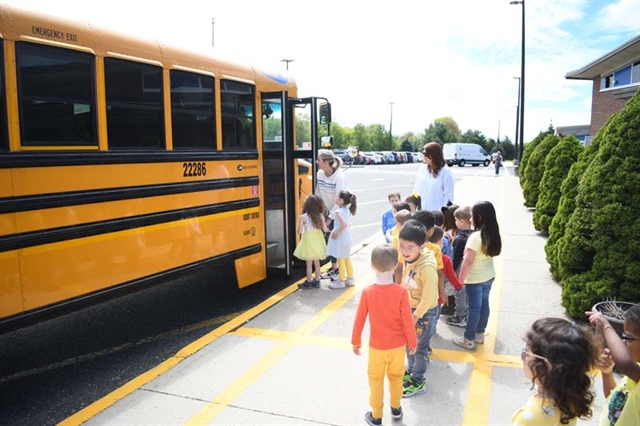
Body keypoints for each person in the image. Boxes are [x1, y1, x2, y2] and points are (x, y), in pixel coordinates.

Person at [351, 244, 418, 426]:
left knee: (376, 380)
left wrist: (356, 341)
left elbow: (360, 320)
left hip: (377, 347)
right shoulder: (402, 292)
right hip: (397, 347)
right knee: (396, 378)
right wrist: (412, 342)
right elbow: (408, 321)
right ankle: (396, 408)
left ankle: (377, 415)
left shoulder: (368, 292)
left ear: (372, 266)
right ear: (396, 265)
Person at [512, 317, 601, 425]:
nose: (522, 357)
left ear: (545, 366)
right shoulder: (568, 397)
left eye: (525, 352)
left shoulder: (529, 418)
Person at [452, 201, 502, 350]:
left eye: (473, 216)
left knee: (474, 307)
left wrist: (460, 280)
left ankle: (468, 338)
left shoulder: (475, 237)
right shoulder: (492, 234)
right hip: (489, 276)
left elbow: (467, 262)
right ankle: (479, 334)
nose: (471, 218)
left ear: (479, 217)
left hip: (475, 279)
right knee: (484, 305)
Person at [397, 219, 439, 397]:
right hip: (411, 310)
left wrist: (415, 317)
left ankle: (417, 380)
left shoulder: (427, 266)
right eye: (401, 245)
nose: (404, 251)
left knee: (419, 347)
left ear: (422, 247)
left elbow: (428, 297)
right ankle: (412, 368)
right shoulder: (412, 258)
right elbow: (406, 281)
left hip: (423, 313)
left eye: (409, 247)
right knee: (409, 343)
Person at [587, 304, 640, 426]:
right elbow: (615, 400)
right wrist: (607, 373)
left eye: (629, 338)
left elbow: (624, 364)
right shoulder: (636, 368)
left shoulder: (632, 369)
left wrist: (606, 326)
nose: (622, 342)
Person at [316, 149, 346, 280]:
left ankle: (339, 270)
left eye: (319, 160)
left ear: (327, 163)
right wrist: (321, 214)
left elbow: (339, 201)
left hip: (338, 212)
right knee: (329, 240)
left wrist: (329, 219)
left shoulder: (339, 177)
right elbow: (318, 194)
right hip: (327, 210)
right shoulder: (320, 174)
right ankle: (334, 268)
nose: (316, 162)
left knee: (336, 240)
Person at [293, 195, 330, 289]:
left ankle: (308, 281)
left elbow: (299, 231)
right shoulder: (320, 216)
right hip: (318, 240)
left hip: (308, 241)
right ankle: (317, 281)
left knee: (309, 264)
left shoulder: (303, 217)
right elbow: (325, 229)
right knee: (317, 263)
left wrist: (302, 227)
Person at [446, 206, 473, 328]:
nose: (455, 222)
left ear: (462, 221)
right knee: (467, 294)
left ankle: (460, 316)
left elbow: (455, 259)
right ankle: (466, 314)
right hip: (471, 271)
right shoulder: (474, 235)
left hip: (459, 271)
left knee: (459, 294)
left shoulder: (460, 238)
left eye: (456, 220)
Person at [326, 191, 357, 289]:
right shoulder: (346, 210)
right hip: (346, 237)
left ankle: (341, 280)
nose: (335, 198)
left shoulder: (339, 212)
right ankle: (350, 278)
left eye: (336, 197)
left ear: (341, 200)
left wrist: (337, 233)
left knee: (341, 259)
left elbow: (344, 224)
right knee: (347, 258)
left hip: (341, 238)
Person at [413, 142, 454, 211]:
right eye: (423, 154)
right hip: (421, 213)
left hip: (437, 214)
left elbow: (448, 197)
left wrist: (443, 213)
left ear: (433, 155)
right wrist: (414, 203)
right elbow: (415, 192)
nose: (424, 156)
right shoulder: (421, 170)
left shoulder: (445, 173)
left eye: (425, 154)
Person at [391, 209, 412, 282]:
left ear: (400, 224)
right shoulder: (416, 235)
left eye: (396, 222)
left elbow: (398, 264)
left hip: (403, 270)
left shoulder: (397, 238)